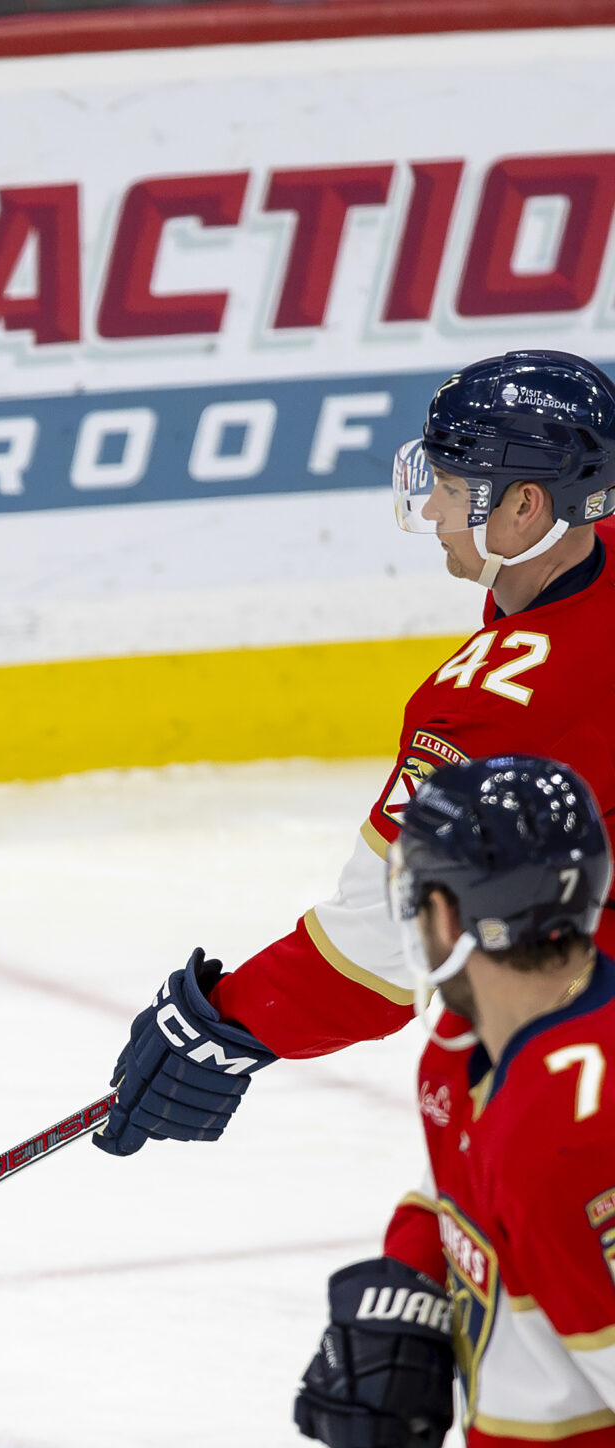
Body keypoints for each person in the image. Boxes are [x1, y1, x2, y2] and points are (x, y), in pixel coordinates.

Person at [97, 351, 615, 1162]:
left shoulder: (492, 704)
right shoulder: (592, 548)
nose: (437, 513)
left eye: (451, 490)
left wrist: (229, 1019)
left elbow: (394, 935)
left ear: (525, 507)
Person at [294, 753, 615, 1448]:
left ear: (445, 915)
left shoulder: (569, 1129)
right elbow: (458, 1195)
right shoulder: (467, 1045)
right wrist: (407, 1283)